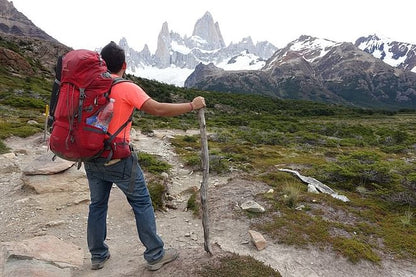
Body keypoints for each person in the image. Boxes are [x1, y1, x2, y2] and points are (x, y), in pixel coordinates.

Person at [84, 41, 206, 271]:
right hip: (118, 157)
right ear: (124, 65)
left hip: (91, 155)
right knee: (141, 203)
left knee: (97, 205)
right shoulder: (126, 87)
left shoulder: (91, 85)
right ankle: (154, 254)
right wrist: (191, 105)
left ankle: (98, 255)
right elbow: (157, 109)